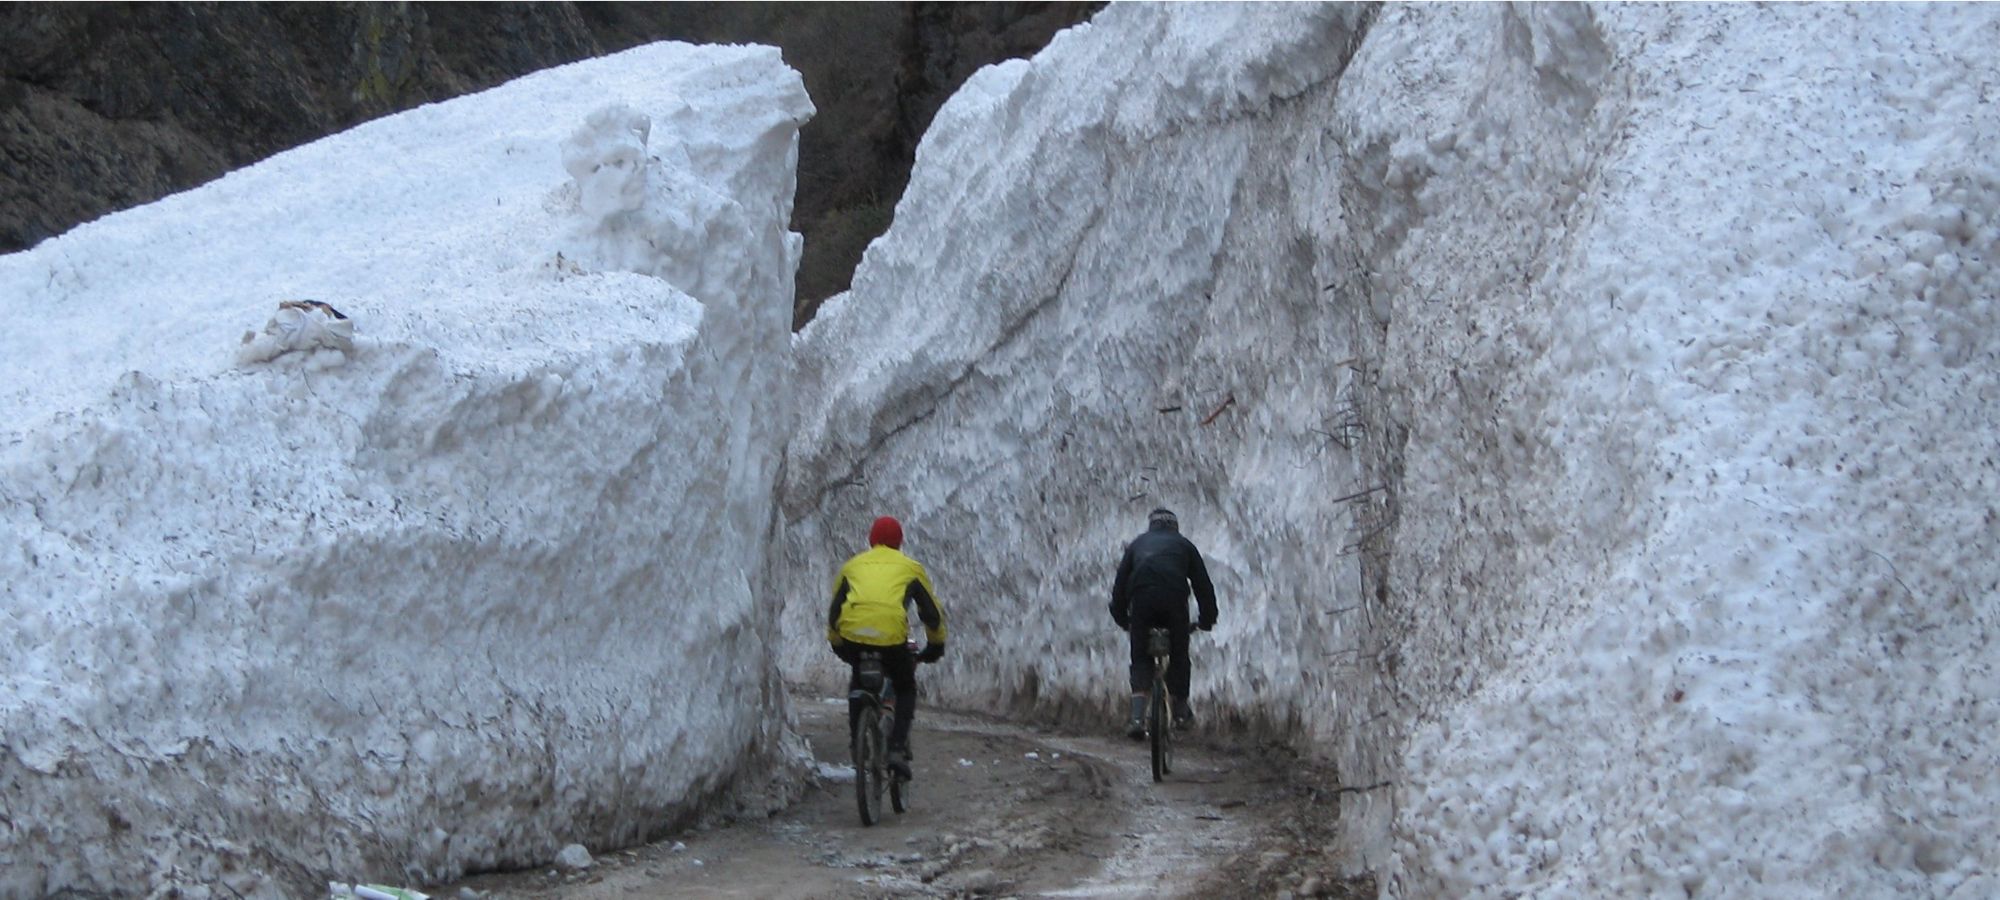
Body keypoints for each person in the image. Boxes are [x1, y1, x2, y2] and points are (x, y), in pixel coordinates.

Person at [828, 515, 946, 779]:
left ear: (871, 540)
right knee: (905, 687)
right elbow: (931, 613)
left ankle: (857, 744)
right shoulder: (910, 568)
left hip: (853, 635)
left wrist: (837, 643)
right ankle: (895, 750)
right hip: (892, 639)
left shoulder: (852, 566)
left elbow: (835, 610)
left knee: (858, 682)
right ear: (899, 543)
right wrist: (935, 645)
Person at [1109, 507, 1217, 739]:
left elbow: (1119, 587)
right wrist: (1207, 620)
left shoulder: (1137, 545)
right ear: (1174, 526)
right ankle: (1179, 709)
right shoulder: (1184, 545)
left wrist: (1122, 619)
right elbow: (1203, 586)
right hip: (1174, 600)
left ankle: (1137, 717)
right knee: (1179, 653)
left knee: (1140, 657)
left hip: (1142, 600)